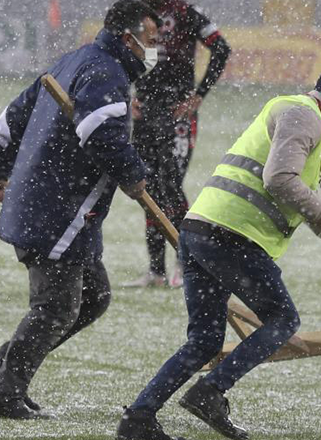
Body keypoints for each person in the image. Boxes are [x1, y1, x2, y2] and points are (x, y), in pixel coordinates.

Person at [115, 66, 321, 440]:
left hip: (200, 231)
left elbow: (315, 210)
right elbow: (280, 180)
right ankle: (210, 392)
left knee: (204, 341)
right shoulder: (305, 117)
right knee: (282, 321)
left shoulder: (298, 115)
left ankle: (138, 419)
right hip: (233, 235)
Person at [0, 0, 159, 419]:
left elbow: (11, 118)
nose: (154, 50)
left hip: (50, 204)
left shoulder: (76, 61)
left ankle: (1, 370)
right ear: (128, 37)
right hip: (57, 209)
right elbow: (99, 133)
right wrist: (133, 173)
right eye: (150, 40)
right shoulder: (105, 72)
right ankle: (4, 395)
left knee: (94, 297)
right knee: (56, 307)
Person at [121, 0, 231, 289]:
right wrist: (128, 91)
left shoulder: (186, 13)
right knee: (147, 187)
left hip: (177, 113)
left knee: (170, 184)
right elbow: (121, 51)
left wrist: (199, 94)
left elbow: (221, 48)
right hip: (145, 112)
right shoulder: (138, 13)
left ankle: (187, 263)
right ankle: (156, 271)